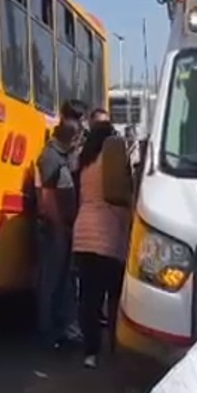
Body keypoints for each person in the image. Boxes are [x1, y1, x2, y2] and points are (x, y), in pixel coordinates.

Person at [71, 120, 133, 368]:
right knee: (115, 296)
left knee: (89, 298)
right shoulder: (111, 164)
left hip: (83, 233)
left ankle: (90, 353)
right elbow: (122, 197)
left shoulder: (83, 162)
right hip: (108, 233)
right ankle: (116, 348)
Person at [35, 118, 83, 350]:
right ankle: (47, 332)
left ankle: (59, 329)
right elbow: (47, 197)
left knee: (62, 281)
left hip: (60, 228)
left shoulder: (58, 156)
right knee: (51, 282)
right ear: (71, 138)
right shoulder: (50, 158)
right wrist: (60, 227)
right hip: (54, 230)